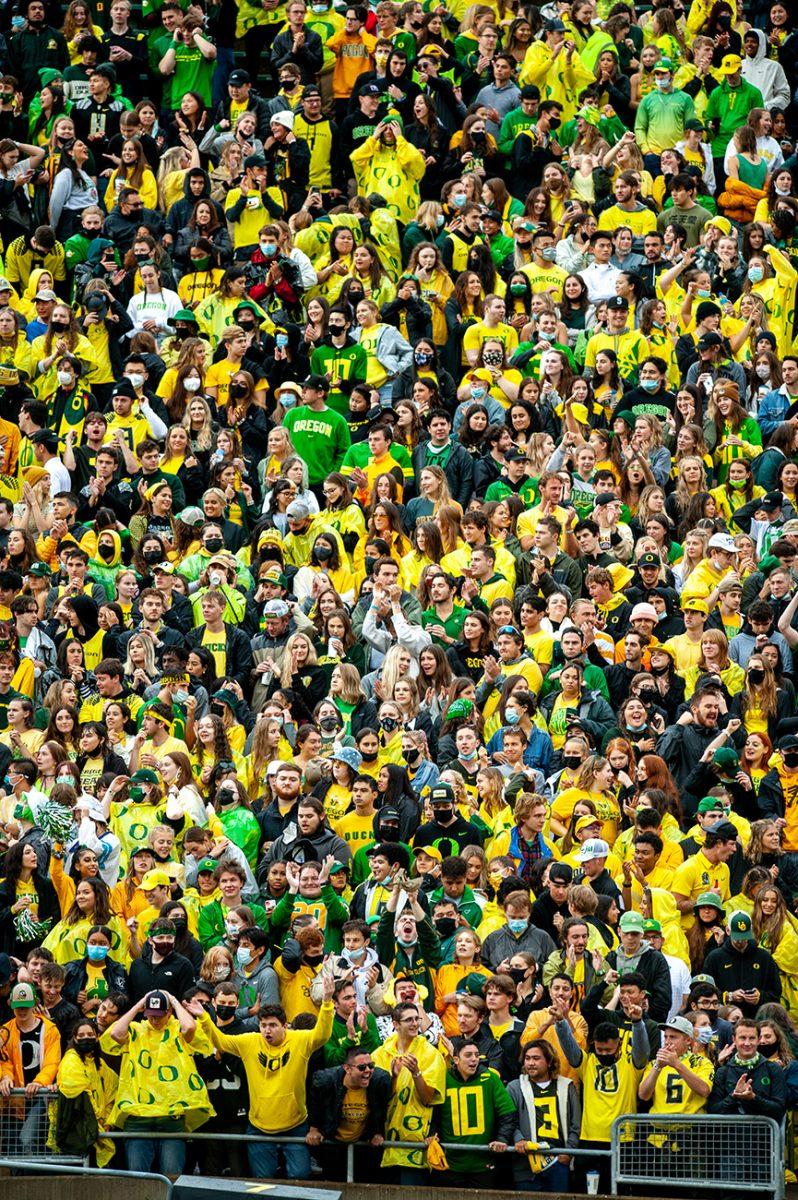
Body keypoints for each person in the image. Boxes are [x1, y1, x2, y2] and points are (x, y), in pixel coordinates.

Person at [185, 974, 335, 1179]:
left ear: (284, 1025)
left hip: (295, 1124)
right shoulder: (250, 1041)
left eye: (273, 1025)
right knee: (262, 1182)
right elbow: (220, 1041)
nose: (267, 1030)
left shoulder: (300, 1040)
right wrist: (203, 1018)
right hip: (259, 1127)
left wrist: (327, 1003)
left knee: (300, 1177)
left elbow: (322, 1034)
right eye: (263, 1025)